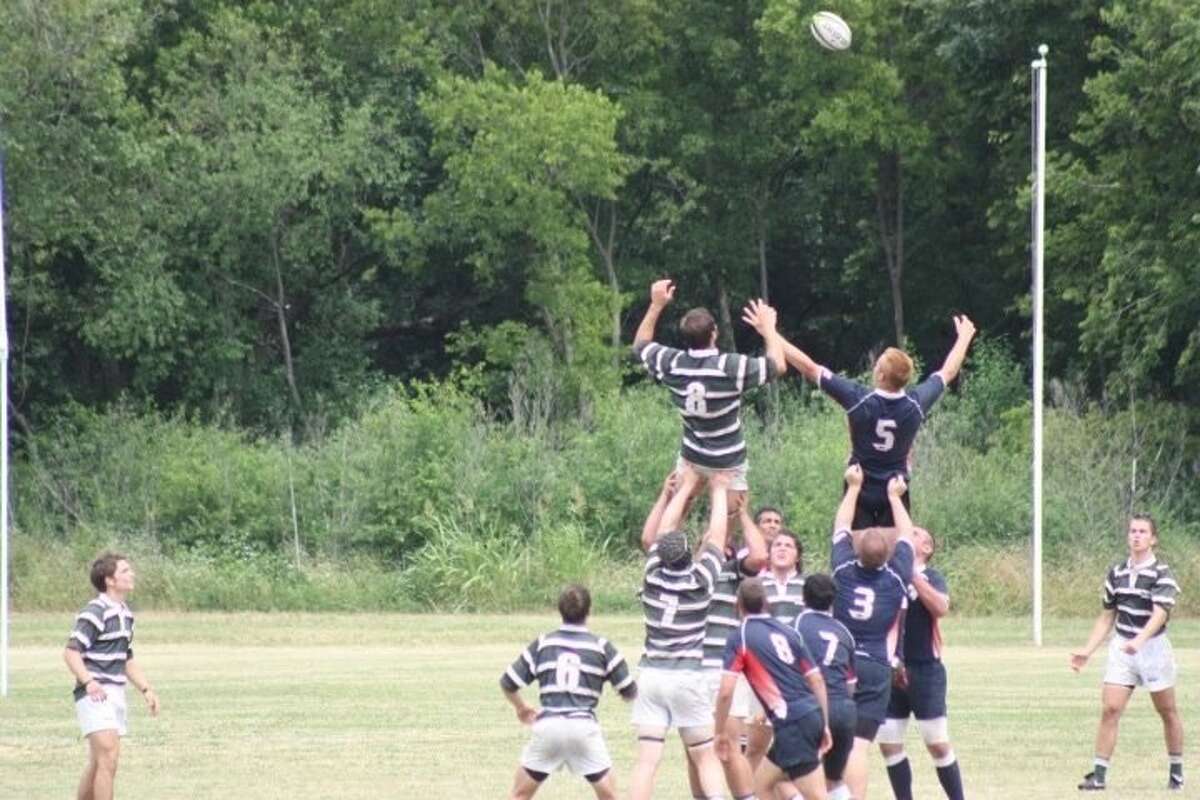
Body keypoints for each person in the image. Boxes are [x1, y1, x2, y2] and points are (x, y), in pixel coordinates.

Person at [778, 317, 976, 527]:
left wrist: (771, 334)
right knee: (896, 544)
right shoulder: (915, 404)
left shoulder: (858, 399)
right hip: (895, 488)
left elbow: (810, 368)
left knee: (856, 543)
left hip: (859, 485)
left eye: (877, 365)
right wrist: (964, 337)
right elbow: (948, 372)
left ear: (880, 376)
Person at [631, 465, 733, 800]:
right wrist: (719, 490)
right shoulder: (700, 581)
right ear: (690, 555)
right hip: (687, 676)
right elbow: (717, 538)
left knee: (647, 761)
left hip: (651, 675)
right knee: (704, 755)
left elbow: (663, 530)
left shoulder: (652, 576)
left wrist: (686, 486)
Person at [632, 278, 786, 491]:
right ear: (714, 333)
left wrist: (656, 305)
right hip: (728, 460)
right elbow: (778, 366)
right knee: (733, 509)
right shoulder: (730, 366)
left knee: (678, 507)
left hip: (691, 457)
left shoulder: (673, 364)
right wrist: (769, 329)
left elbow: (640, 346)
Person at [1070, 515, 1183, 792]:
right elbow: (1107, 616)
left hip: (1153, 648)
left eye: (1143, 531)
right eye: (1133, 531)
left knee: (1167, 711)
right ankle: (1099, 776)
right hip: (1123, 647)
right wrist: (1087, 651)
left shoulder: (1161, 573)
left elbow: (1160, 614)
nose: (1136, 536)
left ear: (1153, 539)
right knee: (1110, 709)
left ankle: (1176, 773)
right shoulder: (1117, 573)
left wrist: (1140, 640)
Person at [500, 583, 637, 800]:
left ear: (559, 610)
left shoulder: (543, 644)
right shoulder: (602, 647)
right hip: (583, 728)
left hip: (548, 728)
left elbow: (508, 682)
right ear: (589, 611)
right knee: (610, 796)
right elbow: (629, 691)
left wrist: (521, 707)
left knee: (519, 794)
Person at [832, 466, 916, 800]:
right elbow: (906, 535)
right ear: (888, 556)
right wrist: (895, 498)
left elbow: (841, 527)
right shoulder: (896, 579)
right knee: (859, 746)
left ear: (857, 550)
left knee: (836, 741)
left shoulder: (842, 571)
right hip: (876, 663)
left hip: (842, 660)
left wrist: (854, 488)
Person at [683, 479, 768, 800]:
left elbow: (759, 556)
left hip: (724, 669)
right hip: (691, 670)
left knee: (729, 745)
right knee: (695, 749)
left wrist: (742, 513)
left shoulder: (732, 574)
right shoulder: (686, 575)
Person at [715, 578, 832, 800]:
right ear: (766, 602)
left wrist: (719, 731)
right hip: (809, 714)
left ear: (738, 604)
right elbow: (816, 680)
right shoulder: (789, 632)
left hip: (793, 723)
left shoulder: (740, 636)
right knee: (762, 785)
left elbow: (726, 692)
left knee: (816, 796)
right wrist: (824, 723)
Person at [877, 527, 965, 800]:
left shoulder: (931, 577)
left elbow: (941, 608)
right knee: (889, 744)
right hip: (891, 669)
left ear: (927, 548)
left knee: (936, 743)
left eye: (914, 533)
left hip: (925, 668)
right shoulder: (888, 575)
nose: (906, 533)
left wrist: (912, 574)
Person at [63, 552, 159, 800]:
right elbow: (71, 652)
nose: (132, 574)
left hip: (115, 693)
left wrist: (146, 689)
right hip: (94, 695)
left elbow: (126, 658)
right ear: (109, 580)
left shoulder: (126, 614)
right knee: (108, 758)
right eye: (125, 571)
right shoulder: (95, 611)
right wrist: (89, 681)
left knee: (99, 762)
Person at [795, 573, 858, 800]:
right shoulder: (844, 632)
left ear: (803, 597)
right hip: (844, 709)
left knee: (783, 777)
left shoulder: (797, 626)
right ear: (833, 600)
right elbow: (851, 684)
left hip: (812, 709)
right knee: (834, 780)